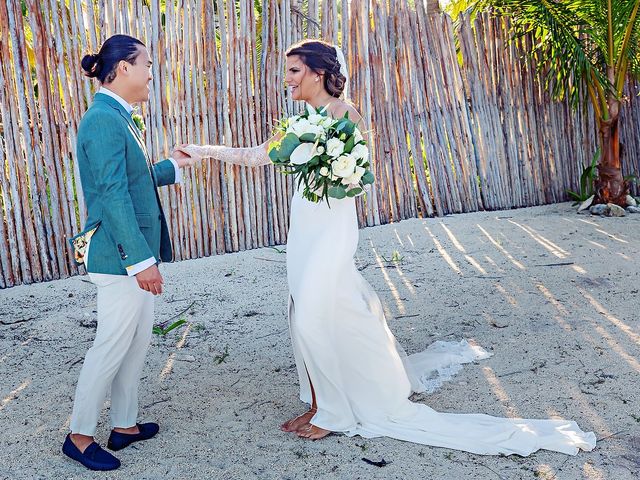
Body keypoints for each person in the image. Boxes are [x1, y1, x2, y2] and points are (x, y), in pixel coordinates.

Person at [181, 39, 596, 455]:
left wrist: (338, 173)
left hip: (333, 230)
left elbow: (359, 177)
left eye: (293, 71)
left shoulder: (347, 116)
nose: (286, 79)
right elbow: (257, 156)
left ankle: (337, 413)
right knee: (305, 314)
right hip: (304, 228)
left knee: (310, 315)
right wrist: (200, 152)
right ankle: (320, 400)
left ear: (318, 73)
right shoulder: (300, 120)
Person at [63, 34, 195, 471]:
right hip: (118, 256)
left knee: (135, 343)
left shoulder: (118, 116)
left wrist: (172, 167)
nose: (152, 73)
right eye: (148, 65)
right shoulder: (102, 119)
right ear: (122, 69)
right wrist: (141, 262)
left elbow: (132, 178)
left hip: (128, 255)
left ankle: (125, 425)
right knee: (111, 345)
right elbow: (113, 193)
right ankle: (79, 436)